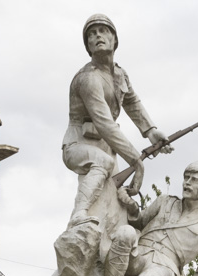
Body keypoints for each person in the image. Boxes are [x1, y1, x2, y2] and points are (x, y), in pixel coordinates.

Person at [62, 14, 172, 227]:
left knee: (121, 205)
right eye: (92, 34)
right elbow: (105, 124)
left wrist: (150, 131)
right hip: (78, 145)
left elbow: (132, 102)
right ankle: (79, 213)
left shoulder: (120, 75)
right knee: (103, 162)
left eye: (103, 31)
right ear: (88, 45)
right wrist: (137, 162)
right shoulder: (87, 78)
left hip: (106, 148)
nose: (98, 36)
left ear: (114, 39)